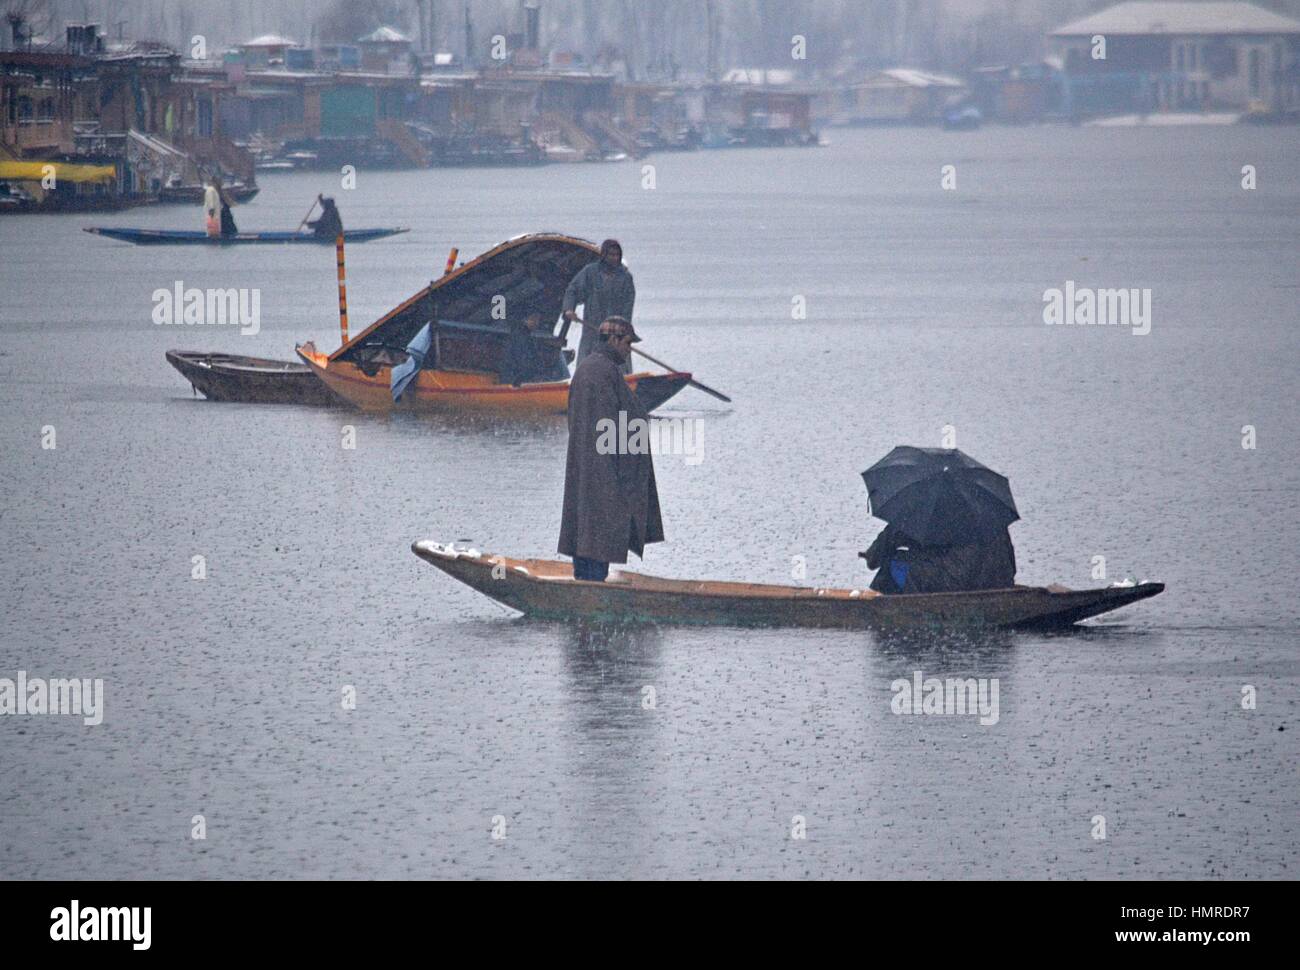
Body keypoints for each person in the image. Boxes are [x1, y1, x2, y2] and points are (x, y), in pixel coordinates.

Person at [558, 316, 664, 582]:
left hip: (592, 466)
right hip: (604, 470)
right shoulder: (600, 372)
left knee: (588, 534)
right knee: (597, 536)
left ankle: (587, 591)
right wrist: (622, 469)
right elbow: (608, 427)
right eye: (627, 342)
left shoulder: (594, 368)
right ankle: (592, 593)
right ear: (614, 340)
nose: (629, 349)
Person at [861, 523, 1016, 594]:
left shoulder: (928, 510)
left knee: (892, 563)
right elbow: (1012, 566)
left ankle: (881, 607)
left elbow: (880, 552)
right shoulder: (993, 515)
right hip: (999, 581)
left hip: (957, 582)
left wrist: (872, 556)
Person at [561, 239, 636, 374]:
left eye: (617, 255)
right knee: (588, 365)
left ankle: (622, 383)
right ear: (604, 255)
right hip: (592, 328)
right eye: (611, 255)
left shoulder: (625, 278)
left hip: (616, 332)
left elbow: (628, 306)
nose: (614, 258)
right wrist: (569, 309)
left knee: (618, 363)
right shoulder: (590, 272)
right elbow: (573, 290)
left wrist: (621, 331)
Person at [499, 313, 568, 386]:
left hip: (527, 379)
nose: (536, 322)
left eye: (538, 319)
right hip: (517, 383)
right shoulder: (519, 338)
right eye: (534, 318)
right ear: (525, 319)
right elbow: (525, 365)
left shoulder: (529, 336)